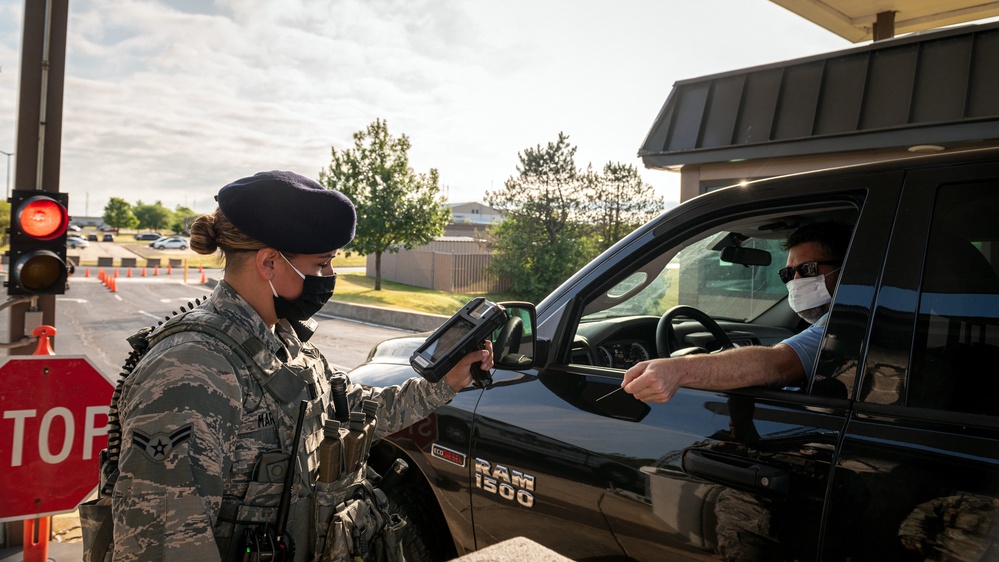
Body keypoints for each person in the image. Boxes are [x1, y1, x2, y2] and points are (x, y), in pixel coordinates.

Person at [109, 171, 491, 561]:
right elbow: (162, 544)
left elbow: (354, 409)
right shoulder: (191, 369)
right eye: (321, 265)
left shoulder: (283, 340)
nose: (329, 278)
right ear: (270, 263)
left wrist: (444, 383)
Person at [621, 221, 851, 403]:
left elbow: (777, 365)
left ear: (847, 269)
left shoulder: (846, 327)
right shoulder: (833, 322)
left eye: (806, 269)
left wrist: (677, 369)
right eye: (788, 274)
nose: (796, 280)